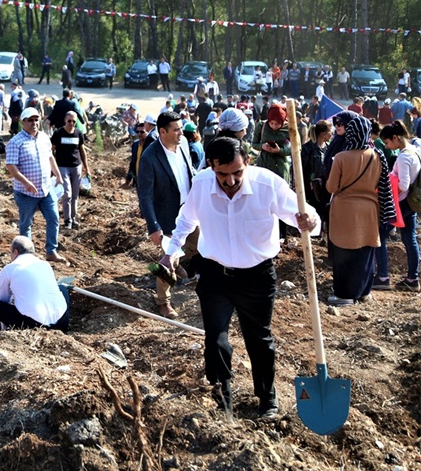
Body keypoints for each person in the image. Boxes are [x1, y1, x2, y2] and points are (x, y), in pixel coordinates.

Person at [161, 136, 318, 418]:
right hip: (215, 275)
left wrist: (309, 221)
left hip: (257, 277)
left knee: (258, 339)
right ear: (211, 166)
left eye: (237, 173)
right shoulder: (202, 184)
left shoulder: (266, 184)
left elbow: (303, 215)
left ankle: (267, 398)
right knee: (215, 339)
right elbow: (186, 220)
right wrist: (171, 251)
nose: (231, 181)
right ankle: (223, 395)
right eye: (223, 174)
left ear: (247, 162)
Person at [326, 116, 395, 306]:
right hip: (370, 210)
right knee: (365, 254)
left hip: (344, 211)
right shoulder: (377, 155)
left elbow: (331, 187)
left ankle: (344, 295)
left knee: (344, 254)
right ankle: (364, 292)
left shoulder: (341, 157)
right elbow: (383, 185)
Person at [136, 111, 197, 319]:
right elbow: (144, 196)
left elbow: (191, 173)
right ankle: (164, 303)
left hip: (190, 211)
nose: (181, 133)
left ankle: (186, 271)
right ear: (162, 131)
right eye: (176, 130)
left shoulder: (185, 147)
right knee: (168, 261)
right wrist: (153, 226)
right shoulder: (150, 158)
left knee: (201, 248)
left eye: (181, 128)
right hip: (167, 216)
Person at [5, 107, 65, 263]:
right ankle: (26, 256)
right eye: (30, 120)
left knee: (53, 218)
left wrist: (58, 175)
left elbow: (51, 157)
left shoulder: (44, 138)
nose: (34, 123)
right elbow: (11, 166)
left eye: (36, 119)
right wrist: (26, 182)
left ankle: (51, 251)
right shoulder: (15, 142)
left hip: (46, 188)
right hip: (26, 192)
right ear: (23, 122)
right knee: (26, 224)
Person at [0, 236, 70, 332]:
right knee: (61, 288)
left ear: (15, 252)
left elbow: (4, 301)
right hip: (61, 323)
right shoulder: (45, 265)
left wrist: (4, 329)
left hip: (34, 325)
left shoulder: (9, 269)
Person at [373, 121, 421, 292]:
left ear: (395, 137)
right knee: (409, 239)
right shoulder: (416, 150)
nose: (387, 146)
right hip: (412, 203)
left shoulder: (403, 156)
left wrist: (390, 178)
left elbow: (404, 185)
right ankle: (412, 279)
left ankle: (383, 277)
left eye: (387, 142)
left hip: (400, 203)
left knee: (380, 235)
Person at [51, 109, 90, 230]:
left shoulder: (78, 133)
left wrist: (86, 168)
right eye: (69, 121)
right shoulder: (58, 133)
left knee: (75, 194)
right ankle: (67, 219)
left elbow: (82, 151)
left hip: (76, 166)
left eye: (74, 121)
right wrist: (52, 168)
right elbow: (51, 151)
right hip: (63, 167)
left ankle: (74, 218)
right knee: (67, 193)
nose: (71, 123)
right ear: (65, 120)